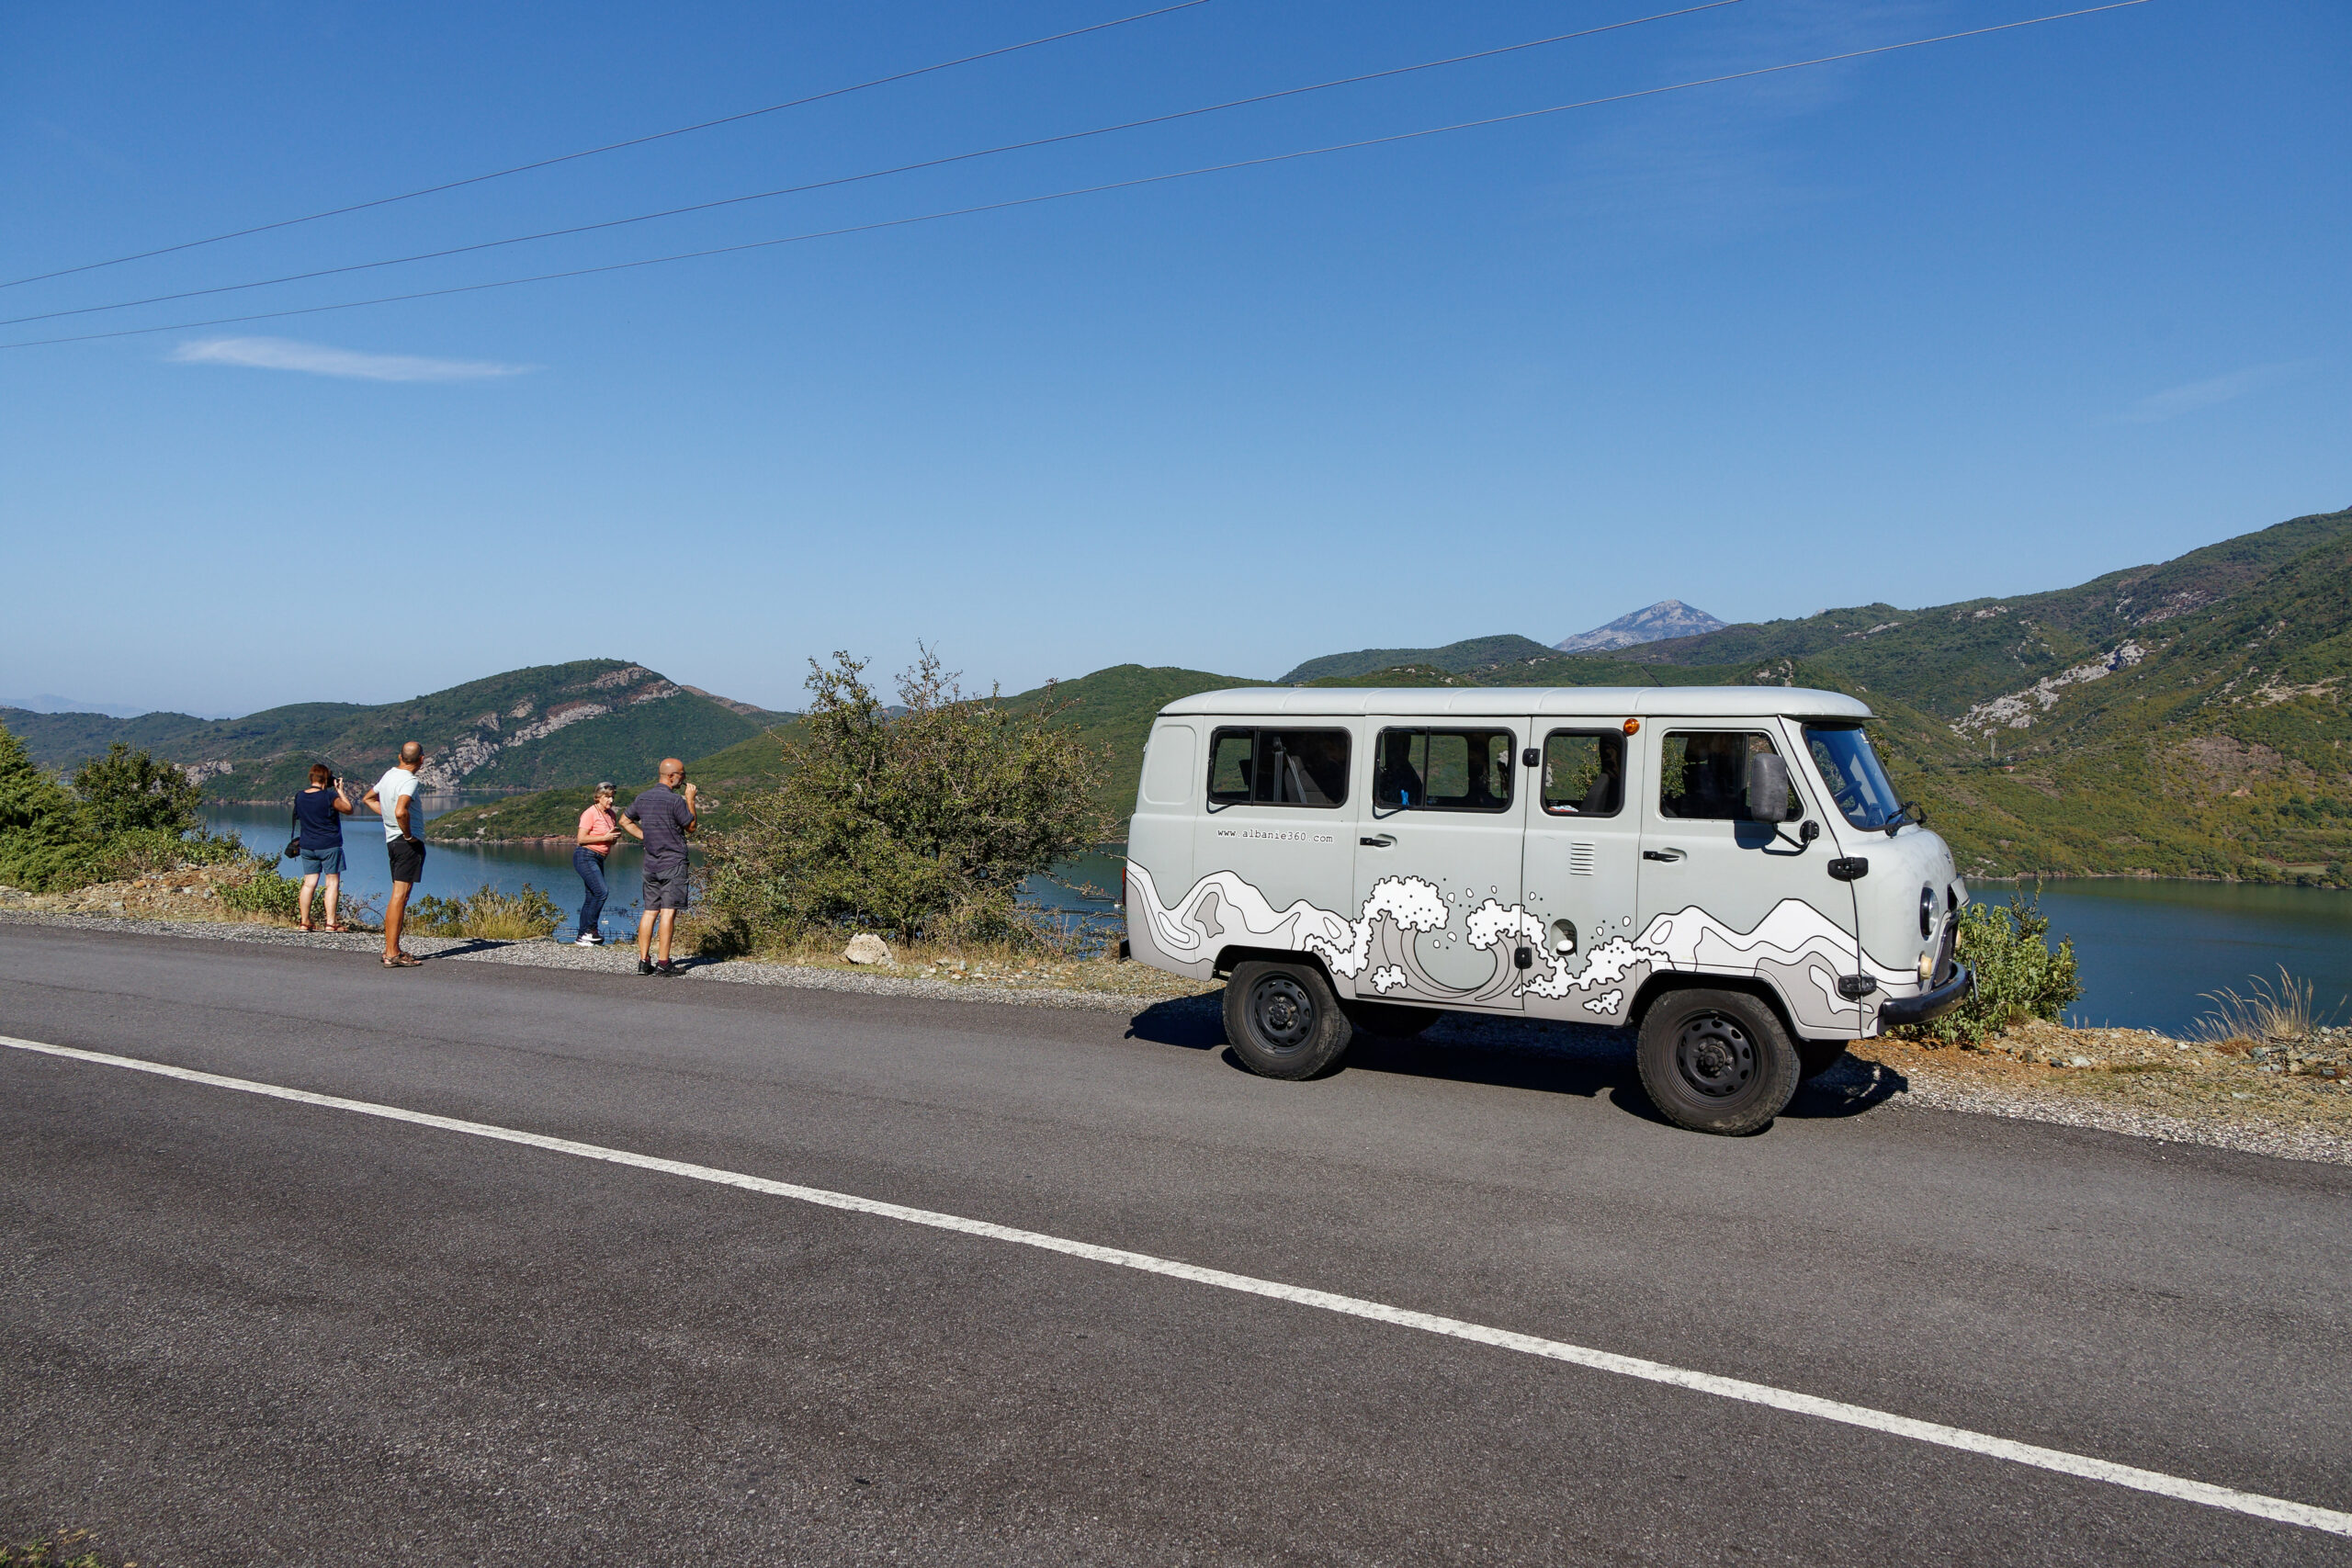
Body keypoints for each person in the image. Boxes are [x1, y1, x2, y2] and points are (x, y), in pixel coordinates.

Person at [619, 758, 696, 976]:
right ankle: (664, 963)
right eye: (682, 774)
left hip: (650, 863)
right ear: (671, 776)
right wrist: (690, 800)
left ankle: (644, 962)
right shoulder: (675, 801)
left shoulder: (643, 798)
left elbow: (624, 821)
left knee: (650, 911)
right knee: (668, 912)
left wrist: (646, 837)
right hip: (673, 863)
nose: (684, 778)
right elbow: (691, 827)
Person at [362, 741, 429, 968]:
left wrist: (388, 818)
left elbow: (368, 798)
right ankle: (392, 953)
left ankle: (392, 949)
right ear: (421, 760)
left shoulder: (389, 774)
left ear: (399, 756)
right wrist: (408, 834)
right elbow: (401, 810)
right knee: (400, 896)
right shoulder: (409, 781)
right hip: (406, 843)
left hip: (392, 841)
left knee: (398, 895)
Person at [292, 762, 356, 931]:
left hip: (307, 846)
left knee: (308, 884)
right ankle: (330, 923)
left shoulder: (300, 796)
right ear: (326, 779)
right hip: (329, 846)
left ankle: (304, 922)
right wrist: (340, 791)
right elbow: (349, 809)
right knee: (332, 883)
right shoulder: (328, 797)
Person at [572, 782, 622, 945]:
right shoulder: (590, 813)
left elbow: (609, 840)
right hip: (586, 855)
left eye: (612, 797)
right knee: (601, 892)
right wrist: (605, 838)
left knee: (591, 896)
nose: (611, 800)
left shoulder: (611, 815)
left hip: (600, 858)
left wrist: (612, 839)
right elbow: (581, 839)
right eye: (607, 797)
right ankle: (590, 930)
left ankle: (582, 936)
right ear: (598, 797)